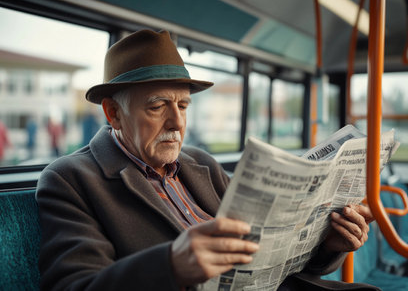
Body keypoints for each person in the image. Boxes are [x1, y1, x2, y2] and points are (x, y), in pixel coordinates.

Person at [37, 30, 379, 291]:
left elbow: (277, 261)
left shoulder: (202, 164)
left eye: (183, 106)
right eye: (158, 105)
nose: (177, 122)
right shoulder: (71, 179)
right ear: (114, 113)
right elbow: (74, 286)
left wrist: (328, 245)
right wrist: (171, 265)